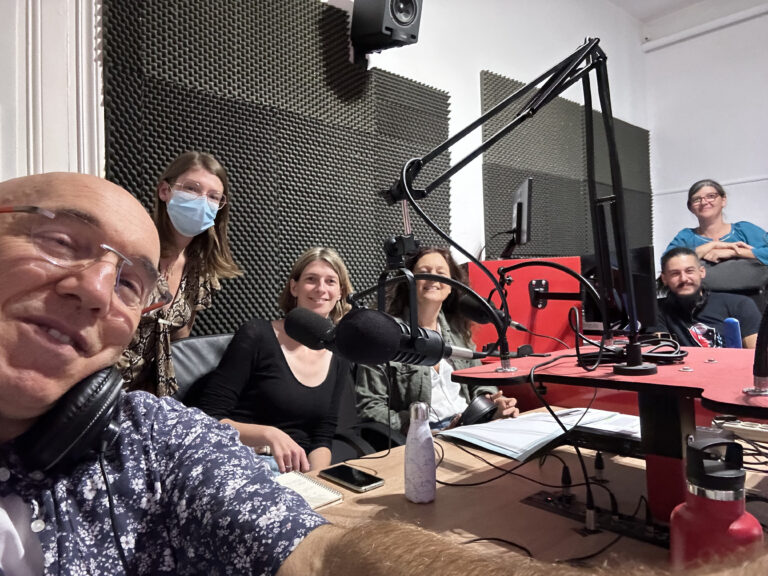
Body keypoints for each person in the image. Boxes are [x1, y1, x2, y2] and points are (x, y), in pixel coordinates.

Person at [2, 173, 767, 576]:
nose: (94, 289)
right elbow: (363, 420)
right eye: (59, 241)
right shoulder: (260, 341)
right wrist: (275, 438)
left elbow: (329, 552)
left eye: (129, 281)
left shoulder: (148, 441)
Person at [195, 247, 353, 474]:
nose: (321, 288)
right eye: (311, 279)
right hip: (244, 460)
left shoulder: (338, 353)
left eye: (330, 281)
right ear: (294, 287)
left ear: (340, 293)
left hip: (299, 473)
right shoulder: (257, 334)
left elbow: (322, 436)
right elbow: (209, 418)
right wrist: (269, 434)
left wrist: (316, 481)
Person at [356, 246, 519, 433]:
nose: (433, 278)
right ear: (408, 282)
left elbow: (479, 383)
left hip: (469, 427)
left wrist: (492, 403)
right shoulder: (385, 335)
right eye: (424, 272)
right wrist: (422, 430)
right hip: (423, 434)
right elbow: (370, 407)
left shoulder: (458, 333)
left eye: (441, 273)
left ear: (451, 286)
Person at [119, 151, 242, 396]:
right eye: (192, 189)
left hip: (148, 396)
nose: (202, 201)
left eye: (213, 196)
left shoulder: (200, 270)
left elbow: (180, 340)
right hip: (98, 387)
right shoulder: (129, 249)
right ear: (165, 191)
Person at [656, 247, 761, 348]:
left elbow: (758, 355)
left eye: (689, 271)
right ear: (664, 279)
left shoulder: (740, 304)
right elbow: (661, 351)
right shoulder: (656, 310)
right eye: (675, 274)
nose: (683, 278)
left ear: (702, 272)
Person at [665, 179, 768, 265]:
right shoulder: (686, 237)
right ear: (690, 207)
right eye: (697, 199)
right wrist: (710, 246)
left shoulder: (745, 230)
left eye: (711, 196)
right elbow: (668, 262)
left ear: (723, 200)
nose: (704, 202)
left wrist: (734, 252)